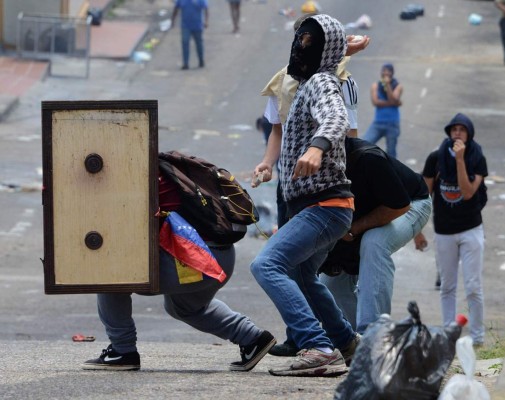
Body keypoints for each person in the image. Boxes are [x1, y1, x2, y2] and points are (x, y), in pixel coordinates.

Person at [82, 167, 276, 372]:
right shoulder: (166, 169)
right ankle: (252, 337)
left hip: (198, 259)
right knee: (185, 307)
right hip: (220, 257)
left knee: (109, 276)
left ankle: (123, 351)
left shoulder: (134, 182)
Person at [250, 14, 359, 377]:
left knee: (266, 265)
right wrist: (269, 165)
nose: (300, 46)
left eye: (310, 41)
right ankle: (345, 342)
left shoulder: (322, 83)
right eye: (300, 38)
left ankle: (316, 345)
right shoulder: (305, 83)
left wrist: (317, 148)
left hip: (324, 206)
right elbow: (281, 134)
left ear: (326, 50)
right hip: (315, 207)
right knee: (301, 274)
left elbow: (335, 118)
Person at [320, 137, 432, 333]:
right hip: (368, 212)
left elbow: (399, 205)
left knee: (374, 243)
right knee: (331, 283)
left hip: (411, 203)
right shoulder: (316, 166)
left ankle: (373, 334)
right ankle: (355, 341)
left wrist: (354, 229)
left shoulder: (368, 158)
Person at [413, 113, 488, 346]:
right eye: (453, 129)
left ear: (469, 134)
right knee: (447, 286)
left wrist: (459, 160)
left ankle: (477, 337)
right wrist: (417, 231)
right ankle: (448, 334)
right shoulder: (435, 159)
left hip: (471, 229)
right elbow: (422, 196)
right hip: (444, 231)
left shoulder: (476, 157)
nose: (457, 133)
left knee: (473, 286)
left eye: (462, 130)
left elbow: (467, 193)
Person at [363, 63, 403, 158]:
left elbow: (393, 99)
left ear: (392, 73)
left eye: (388, 71)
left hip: (392, 124)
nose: (386, 73)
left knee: (391, 152)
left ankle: (391, 172)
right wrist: (394, 103)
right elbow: (376, 102)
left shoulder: (398, 86)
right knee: (365, 144)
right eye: (384, 71)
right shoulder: (375, 86)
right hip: (378, 123)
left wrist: (388, 85)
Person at [172, 0, 208, 70]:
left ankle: (201, 60)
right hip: (186, 25)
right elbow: (176, 8)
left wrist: (206, 21)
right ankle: (186, 63)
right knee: (185, 43)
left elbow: (206, 8)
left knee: (199, 44)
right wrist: (173, 20)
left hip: (197, 25)